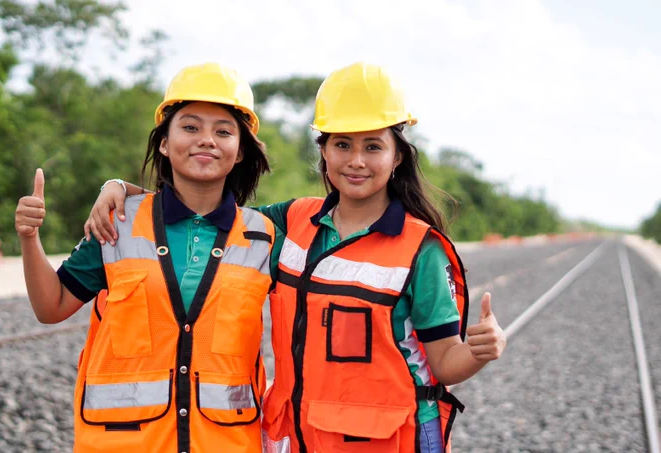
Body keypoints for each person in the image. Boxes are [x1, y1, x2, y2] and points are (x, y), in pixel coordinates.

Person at [84, 62, 507, 453]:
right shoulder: (290, 222)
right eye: (342, 144)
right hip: (299, 438)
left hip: (393, 440)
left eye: (373, 147)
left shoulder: (420, 250)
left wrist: (479, 351)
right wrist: (121, 187)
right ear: (324, 151)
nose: (356, 161)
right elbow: (204, 208)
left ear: (397, 156)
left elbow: (445, 362)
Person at [14, 63, 276, 453]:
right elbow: (51, 306)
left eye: (223, 131)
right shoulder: (118, 221)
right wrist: (29, 238)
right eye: (190, 127)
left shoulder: (265, 235)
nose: (206, 140)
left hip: (226, 442)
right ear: (165, 144)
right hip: (126, 442)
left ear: (240, 151)